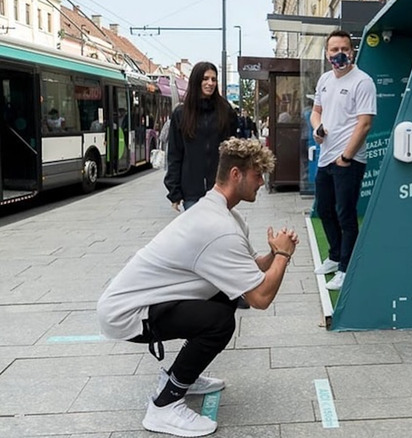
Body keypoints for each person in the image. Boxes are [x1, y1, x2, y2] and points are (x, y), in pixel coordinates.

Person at [96, 137, 297, 437]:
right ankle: (165, 405)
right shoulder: (218, 227)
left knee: (226, 299)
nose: (261, 182)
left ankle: (182, 377)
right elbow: (260, 297)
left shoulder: (225, 214)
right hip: (126, 314)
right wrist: (282, 255)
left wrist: (270, 255)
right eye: (258, 175)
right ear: (235, 175)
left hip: (147, 302)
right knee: (219, 321)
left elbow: (247, 271)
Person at [310, 29, 377, 290]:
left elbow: (365, 124)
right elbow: (317, 112)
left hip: (348, 160)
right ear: (327, 54)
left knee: (345, 214)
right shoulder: (325, 80)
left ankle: (347, 269)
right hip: (326, 158)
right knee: (324, 210)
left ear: (352, 51)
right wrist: (317, 128)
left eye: (344, 49)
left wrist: (346, 157)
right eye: (334, 50)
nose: (339, 54)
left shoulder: (362, 81)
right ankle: (335, 256)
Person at [165, 61, 238, 212]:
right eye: (205, 79)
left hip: (220, 188)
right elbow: (175, 154)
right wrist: (174, 192)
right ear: (196, 80)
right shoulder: (181, 114)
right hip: (191, 190)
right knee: (197, 234)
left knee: (218, 233)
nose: (210, 83)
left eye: (213, 79)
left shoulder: (225, 111)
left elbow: (232, 150)